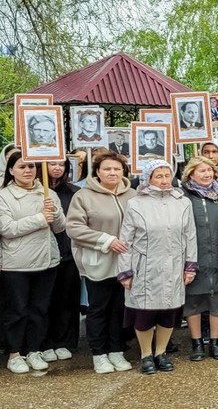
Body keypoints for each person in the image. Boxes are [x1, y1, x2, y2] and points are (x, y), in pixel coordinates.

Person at [117, 160, 197, 375]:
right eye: (158, 176)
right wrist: (125, 271)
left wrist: (190, 265)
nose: (164, 180)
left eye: (167, 175)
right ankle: (146, 355)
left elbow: (190, 236)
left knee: (169, 312)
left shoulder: (182, 202)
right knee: (144, 313)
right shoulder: (136, 204)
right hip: (145, 267)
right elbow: (126, 240)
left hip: (174, 265)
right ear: (148, 179)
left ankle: (161, 352)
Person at [66, 151, 137, 374]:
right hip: (99, 262)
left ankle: (116, 350)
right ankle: (99, 353)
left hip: (127, 263)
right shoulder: (84, 196)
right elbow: (74, 228)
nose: (112, 173)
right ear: (97, 171)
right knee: (98, 309)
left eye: (116, 168)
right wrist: (106, 240)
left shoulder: (133, 195)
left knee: (119, 308)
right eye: (107, 168)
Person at [0, 151, 66, 373]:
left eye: (31, 166)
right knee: (17, 310)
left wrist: (54, 212)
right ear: (11, 170)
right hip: (16, 263)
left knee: (40, 309)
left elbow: (60, 227)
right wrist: (39, 218)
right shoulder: (3, 196)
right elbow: (7, 229)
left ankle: (34, 350)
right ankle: (14, 354)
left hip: (47, 260)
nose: (27, 171)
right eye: (21, 167)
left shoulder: (48, 193)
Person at [182, 156, 218, 362]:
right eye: (202, 170)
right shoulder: (183, 195)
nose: (207, 174)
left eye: (210, 170)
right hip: (194, 256)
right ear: (191, 174)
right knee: (193, 301)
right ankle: (197, 343)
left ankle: (215, 342)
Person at [40, 159, 81, 363]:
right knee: (45, 299)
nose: (57, 168)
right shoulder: (37, 192)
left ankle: (64, 340)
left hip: (68, 252)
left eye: (61, 164)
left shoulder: (74, 192)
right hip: (42, 254)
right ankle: (44, 342)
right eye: (52, 164)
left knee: (66, 298)